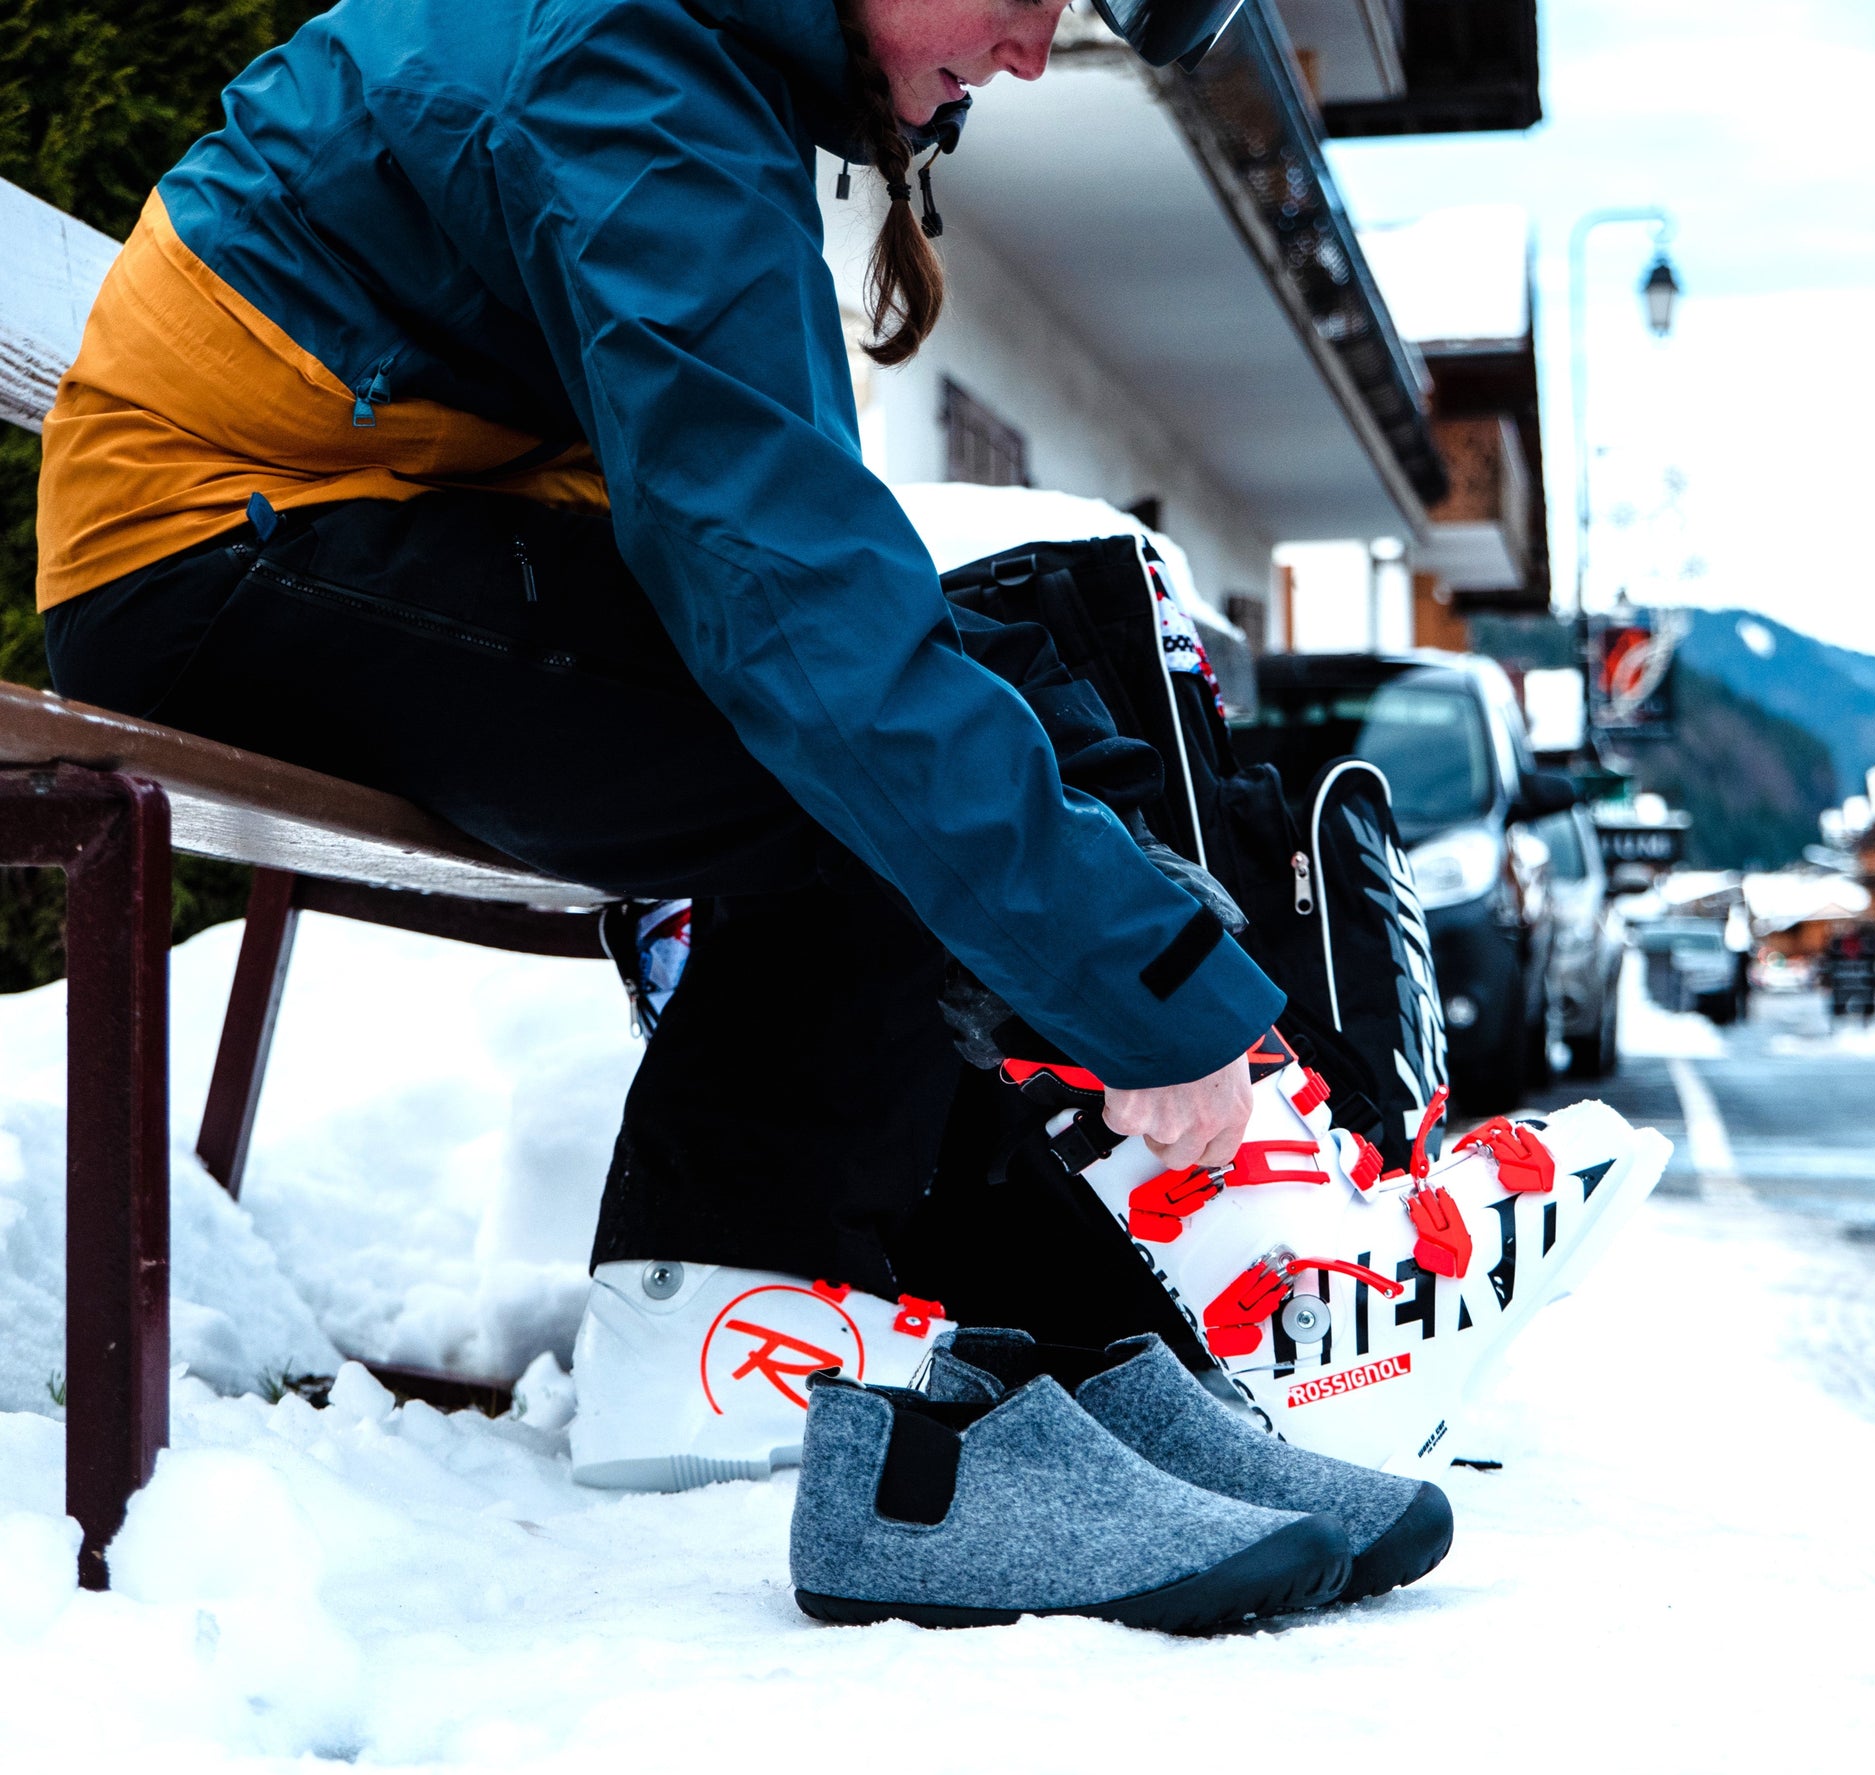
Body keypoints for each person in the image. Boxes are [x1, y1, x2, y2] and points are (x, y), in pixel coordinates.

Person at [35, 0, 1281, 1489]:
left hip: (338, 514)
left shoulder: (697, 56)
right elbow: (803, 633)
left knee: (972, 674)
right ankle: (723, 1329)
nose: (1030, 50)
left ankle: (1102, 1339)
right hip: (211, 559)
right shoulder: (637, 70)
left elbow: (796, 556)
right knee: (849, 759)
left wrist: (1132, 958)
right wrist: (1135, 993)